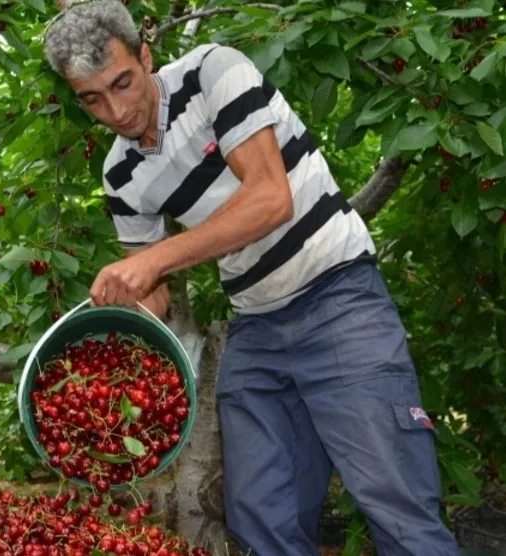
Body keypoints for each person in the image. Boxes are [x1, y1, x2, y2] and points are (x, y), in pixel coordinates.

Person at [43, 1, 462, 555]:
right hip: (258, 325)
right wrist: (100, 375)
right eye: (93, 99)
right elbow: (154, 299)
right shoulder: (121, 173)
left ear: (145, 55)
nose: (116, 110)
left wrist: (153, 259)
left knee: (396, 504)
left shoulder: (213, 71)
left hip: (338, 296)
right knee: (260, 515)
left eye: (122, 82)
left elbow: (269, 198)